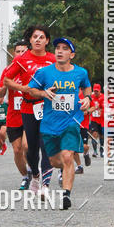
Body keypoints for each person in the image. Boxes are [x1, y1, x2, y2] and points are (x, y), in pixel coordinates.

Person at [27, 36, 91, 210]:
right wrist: (43, 93)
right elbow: (31, 89)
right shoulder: (44, 72)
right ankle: (65, 170)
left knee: (68, 156)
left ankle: (66, 194)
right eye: (57, 48)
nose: (60, 51)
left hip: (71, 121)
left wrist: (87, 98)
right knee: (56, 162)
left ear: (72, 54)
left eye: (64, 48)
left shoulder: (81, 73)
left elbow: (87, 87)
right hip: (49, 124)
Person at [2, 26, 55, 195]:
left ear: (47, 41)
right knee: (30, 149)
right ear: (30, 40)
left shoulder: (53, 60)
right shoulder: (22, 60)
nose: (38, 40)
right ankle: (35, 175)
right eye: (35, 37)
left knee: (45, 144)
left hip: (48, 107)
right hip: (28, 107)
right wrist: (24, 88)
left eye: (42, 37)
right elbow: (7, 80)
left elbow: (65, 77)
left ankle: (46, 184)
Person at [0, 40, 30, 188]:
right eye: (18, 51)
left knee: (26, 146)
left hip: (29, 113)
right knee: (17, 150)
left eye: (24, 51)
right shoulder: (8, 70)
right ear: (13, 55)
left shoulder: (33, 69)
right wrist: (4, 85)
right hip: (14, 116)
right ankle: (25, 176)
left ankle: (32, 170)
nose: (21, 54)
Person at [88, 83, 105, 157]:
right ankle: (95, 151)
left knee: (102, 136)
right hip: (94, 119)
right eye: (94, 91)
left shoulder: (103, 97)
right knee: (94, 135)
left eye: (97, 91)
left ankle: (102, 150)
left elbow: (104, 107)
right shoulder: (91, 97)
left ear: (100, 90)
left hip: (102, 120)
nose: (96, 92)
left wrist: (100, 110)